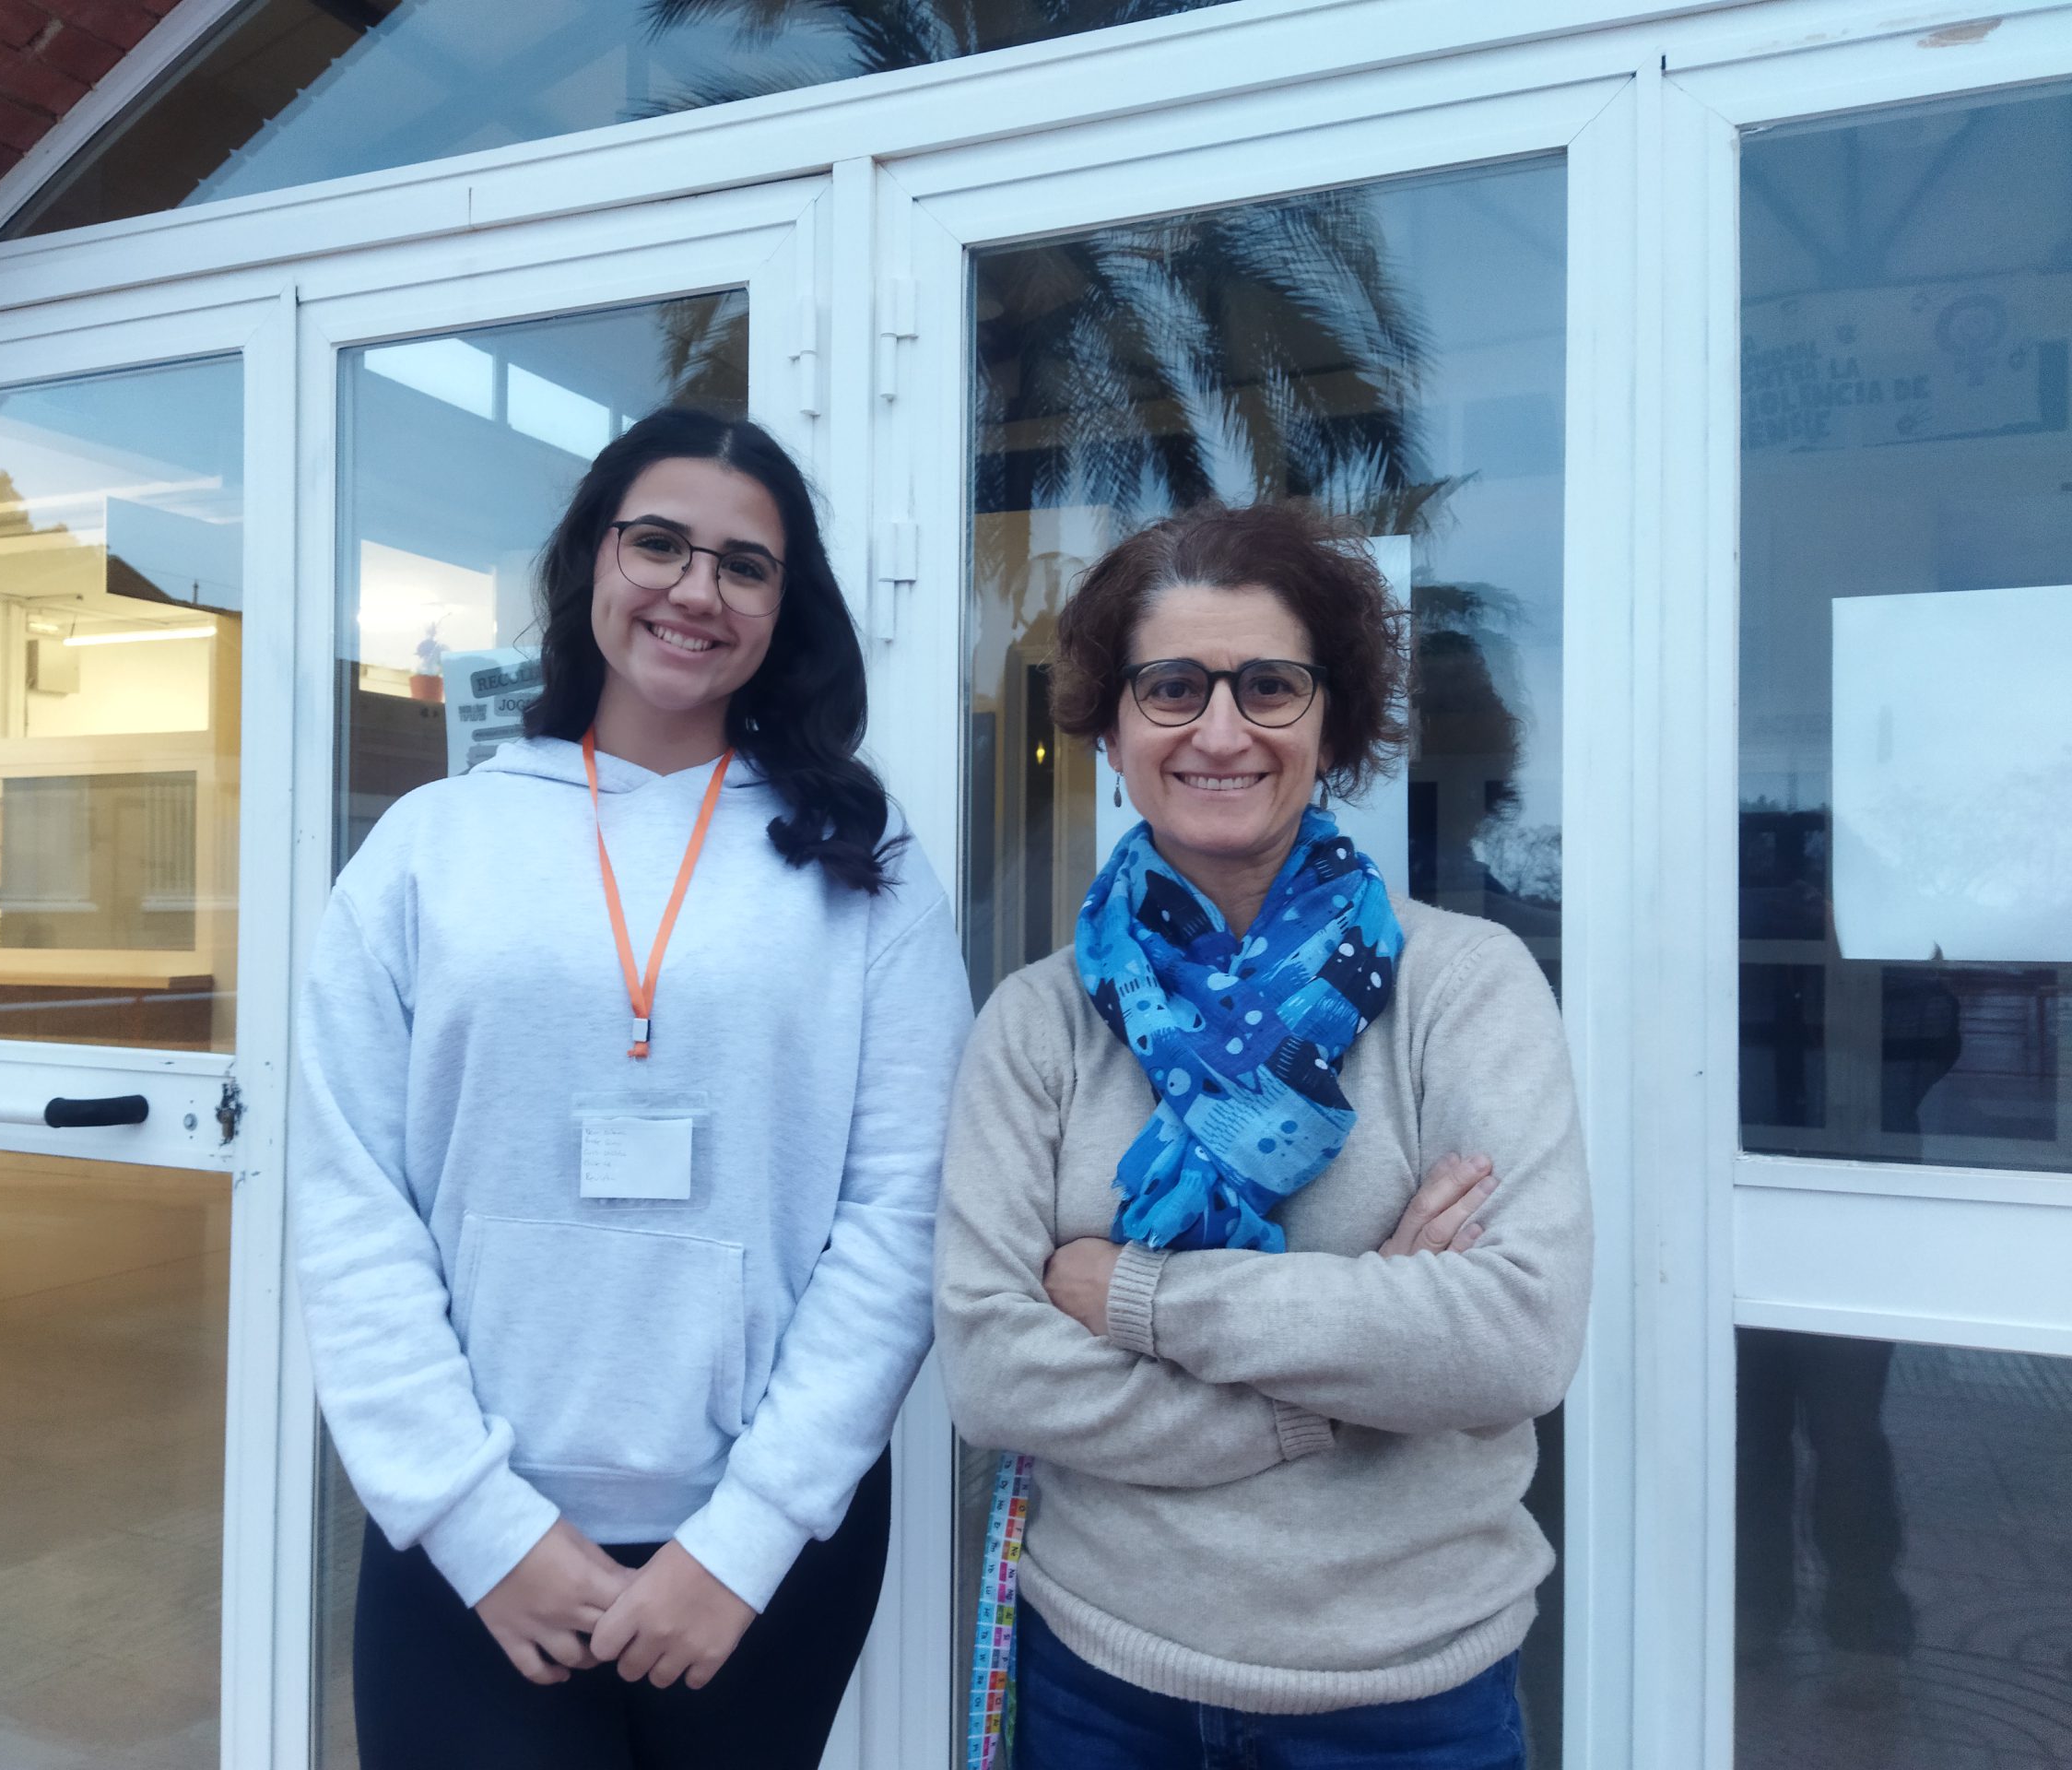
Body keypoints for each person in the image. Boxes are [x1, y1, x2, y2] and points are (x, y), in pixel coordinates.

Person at [295, 408, 973, 1769]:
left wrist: (746, 1539)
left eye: (744, 565)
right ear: (589, 562)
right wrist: (479, 1526)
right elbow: (348, 1199)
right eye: (657, 544)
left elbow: (902, 1209)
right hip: (469, 1541)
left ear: (786, 606)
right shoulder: (431, 846)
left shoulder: (862, 857)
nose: (694, 591)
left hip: (759, 1556)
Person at [936, 501, 1592, 1768]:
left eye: (1270, 686)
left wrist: (1132, 1296)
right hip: (1101, 1687)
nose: (1222, 730)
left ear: (1331, 724)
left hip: (1407, 1701)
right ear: (1111, 727)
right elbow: (995, 1374)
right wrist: (1346, 1381)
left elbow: (1515, 1339)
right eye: (1173, 687)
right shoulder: (1038, 1022)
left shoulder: (1464, 986)